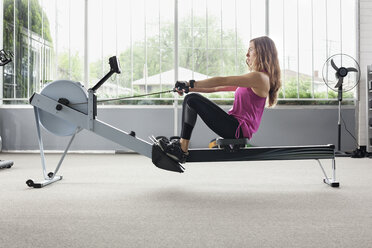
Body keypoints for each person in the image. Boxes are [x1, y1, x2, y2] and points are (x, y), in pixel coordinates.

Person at [157, 36, 281, 163]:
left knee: (191, 100)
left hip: (236, 128)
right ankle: (182, 146)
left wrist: (189, 83)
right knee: (191, 99)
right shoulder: (257, 77)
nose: (247, 54)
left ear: (262, 52)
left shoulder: (258, 77)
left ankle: (182, 149)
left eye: (251, 49)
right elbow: (218, 87)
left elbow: (223, 79)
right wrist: (188, 89)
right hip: (235, 127)